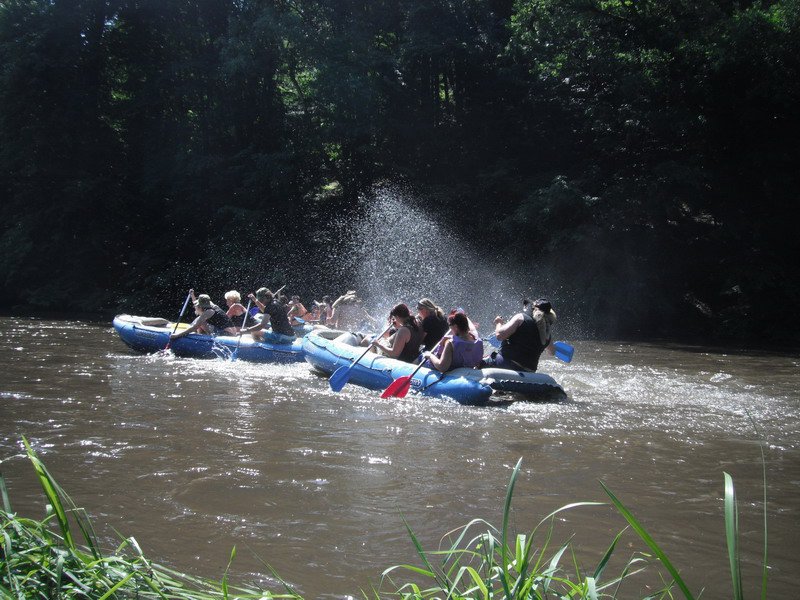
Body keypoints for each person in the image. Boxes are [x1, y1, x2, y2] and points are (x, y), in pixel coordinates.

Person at [484, 298, 557, 372]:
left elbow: (499, 335)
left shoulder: (521, 318)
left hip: (506, 364)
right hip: (529, 371)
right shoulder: (547, 333)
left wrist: (499, 323)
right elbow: (552, 352)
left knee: (478, 360)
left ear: (534, 309)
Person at [169, 293, 237, 340]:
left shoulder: (208, 312)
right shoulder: (212, 305)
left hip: (228, 334)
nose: (196, 307)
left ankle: (202, 338)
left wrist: (177, 335)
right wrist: (192, 295)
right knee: (200, 320)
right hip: (232, 332)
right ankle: (201, 335)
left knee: (201, 322)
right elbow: (196, 303)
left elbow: (195, 326)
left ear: (201, 306)